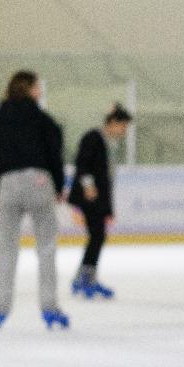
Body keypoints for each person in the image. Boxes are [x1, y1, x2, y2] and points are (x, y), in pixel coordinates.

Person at [0, 71, 69, 330]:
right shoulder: (43, 120)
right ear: (29, 89)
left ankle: (0, 310)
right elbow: (55, 153)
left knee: (6, 250)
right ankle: (50, 308)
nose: (40, 91)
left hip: (8, 183)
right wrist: (59, 185)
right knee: (46, 248)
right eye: (37, 86)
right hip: (39, 180)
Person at [68, 103, 131, 300]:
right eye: (123, 126)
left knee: (98, 236)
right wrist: (88, 185)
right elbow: (82, 163)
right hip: (89, 195)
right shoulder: (93, 137)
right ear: (113, 122)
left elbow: (107, 179)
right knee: (97, 235)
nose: (124, 131)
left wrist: (109, 209)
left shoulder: (110, 144)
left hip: (99, 197)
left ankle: (84, 277)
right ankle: (85, 279)